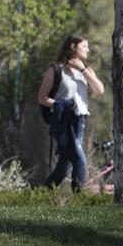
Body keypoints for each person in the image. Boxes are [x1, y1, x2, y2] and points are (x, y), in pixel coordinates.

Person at [38, 34, 105, 190]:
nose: (88, 49)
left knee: (63, 169)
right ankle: (79, 202)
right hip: (62, 122)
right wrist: (63, 104)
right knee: (80, 162)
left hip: (79, 122)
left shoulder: (86, 70)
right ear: (73, 47)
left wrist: (82, 69)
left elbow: (100, 90)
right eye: (84, 46)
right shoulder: (55, 69)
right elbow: (42, 98)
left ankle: (39, 196)